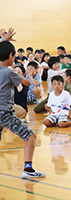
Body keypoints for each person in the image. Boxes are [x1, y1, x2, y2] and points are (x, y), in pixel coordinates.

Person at [0, 29, 46, 178]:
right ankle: (28, 170)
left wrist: (4, 40)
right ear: (11, 56)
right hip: (4, 113)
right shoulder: (8, 72)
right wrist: (28, 74)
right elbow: (26, 82)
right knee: (31, 136)